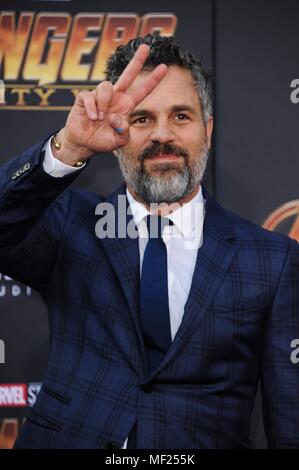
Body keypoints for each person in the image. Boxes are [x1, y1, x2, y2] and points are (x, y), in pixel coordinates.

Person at [0, 33, 298, 449]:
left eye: (180, 116)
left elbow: (290, 416)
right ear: (116, 131)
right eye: (142, 119)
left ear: (207, 130)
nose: (162, 135)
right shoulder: (70, 224)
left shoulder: (272, 260)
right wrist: (68, 147)